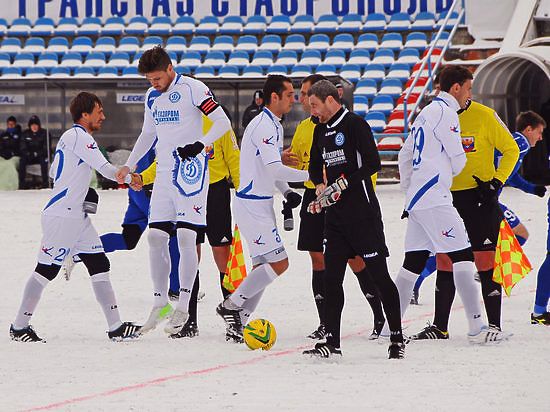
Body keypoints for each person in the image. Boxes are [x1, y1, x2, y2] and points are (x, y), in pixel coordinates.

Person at [115, 46, 232, 336]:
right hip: (165, 171)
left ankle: (183, 305)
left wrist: (200, 143)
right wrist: (129, 165)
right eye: (149, 80)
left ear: (169, 69)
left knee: (186, 236)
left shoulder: (193, 88)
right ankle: (160, 302)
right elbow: (148, 134)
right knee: (155, 236)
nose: (153, 84)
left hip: (191, 170)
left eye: (156, 78)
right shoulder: (152, 96)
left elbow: (223, 122)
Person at [10, 92, 141, 342]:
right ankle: (19, 327)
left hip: (76, 216)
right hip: (63, 217)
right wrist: (130, 177)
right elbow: (106, 169)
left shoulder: (69, 138)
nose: (103, 116)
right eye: (99, 111)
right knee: (46, 270)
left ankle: (115, 327)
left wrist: (81, 191)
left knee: (99, 263)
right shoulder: (80, 136)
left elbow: (54, 172)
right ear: (85, 114)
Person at [391, 65, 509, 345]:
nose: (470, 94)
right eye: (468, 88)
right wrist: (447, 170)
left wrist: (409, 189)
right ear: (455, 88)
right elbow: (459, 159)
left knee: (413, 263)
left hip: (419, 198)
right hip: (437, 196)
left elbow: (404, 155)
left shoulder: (425, 113)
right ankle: (478, 328)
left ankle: (388, 326)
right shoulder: (446, 112)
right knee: (463, 257)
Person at [302, 80, 405, 359]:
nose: (312, 111)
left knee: (379, 276)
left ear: (329, 101)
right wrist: (320, 186)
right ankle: (332, 343)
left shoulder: (355, 125)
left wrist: (345, 184)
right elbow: (314, 165)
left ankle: (396, 338)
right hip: (335, 219)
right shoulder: (319, 129)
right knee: (331, 280)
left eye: (314, 105)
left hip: (363, 215)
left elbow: (373, 164)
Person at [288, 74, 386, 340]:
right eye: (306, 99)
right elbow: (303, 163)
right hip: (315, 198)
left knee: (355, 260)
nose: (308, 105)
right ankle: (326, 323)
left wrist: (350, 190)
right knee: (317, 259)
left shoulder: (347, 125)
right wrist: (289, 161)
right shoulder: (306, 127)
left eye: (311, 98)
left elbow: (364, 165)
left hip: (346, 200)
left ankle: (380, 315)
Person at [215, 75, 309, 343]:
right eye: (290, 94)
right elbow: (273, 168)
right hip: (252, 205)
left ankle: (238, 325)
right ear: (274, 97)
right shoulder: (265, 126)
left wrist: (287, 191)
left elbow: (268, 168)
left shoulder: (273, 124)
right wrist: (310, 175)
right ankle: (231, 306)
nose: (294, 99)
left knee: (263, 266)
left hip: (258, 202)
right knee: (280, 263)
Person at [138, 111, 241, 339]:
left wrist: (243, 194)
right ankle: (188, 320)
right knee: (190, 252)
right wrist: (143, 177)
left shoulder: (217, 124)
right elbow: (165, 161)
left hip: (215, 192)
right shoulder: (179, 123)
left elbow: (235, 159)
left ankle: (234, 321)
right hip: (188, 192)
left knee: (222, 254)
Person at [497, 111, 547, 246]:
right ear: (529, 129)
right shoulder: (521, 144)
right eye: (539, 132)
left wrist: (532, 188)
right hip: (487, 201)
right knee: (520, 234)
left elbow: (509, 175)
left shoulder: (515, 141)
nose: (541, 137)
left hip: (485, 199)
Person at [19, 115, 50, 189]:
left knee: (44, 162)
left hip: (40, 156)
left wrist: (37, 153)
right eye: (32, 125)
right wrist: (29, 154)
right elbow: (22, 147)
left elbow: (46, 148)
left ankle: (45, 183)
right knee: (22, 161)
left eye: (36, 125)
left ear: (39, 125)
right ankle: (22, 184)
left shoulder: (44, 133)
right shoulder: (25, 133)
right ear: (30, 126)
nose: (34, 127)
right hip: (29, 156)